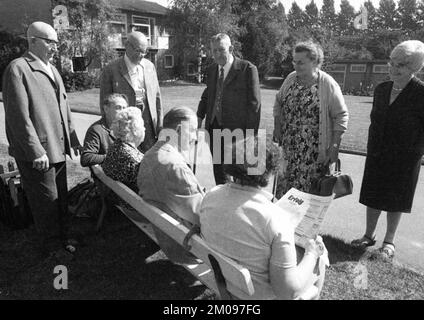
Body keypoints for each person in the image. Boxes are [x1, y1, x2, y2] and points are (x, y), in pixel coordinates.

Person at [199, 137, 327, 300]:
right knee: (321, 256)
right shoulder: (276, 219)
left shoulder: (211, 195)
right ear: (271, 171)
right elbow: (287, 292)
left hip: (225, 283)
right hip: (257, 296)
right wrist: (313, 253)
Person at [2, 21, 82, 257]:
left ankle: (64, 237)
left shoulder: (53, 69)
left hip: (58, 146)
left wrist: (73, 138)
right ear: (33, 41)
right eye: (50, 41)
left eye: (56, 42)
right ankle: (51, 247)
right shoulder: (17, 69)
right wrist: (35, 150)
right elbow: (18, 117)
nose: (55, 47)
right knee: (45, 201)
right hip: (40, 153)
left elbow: (64, 107)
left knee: (60, 198)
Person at [351, 40, 424, 260]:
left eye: (399, 65)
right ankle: (368, 235)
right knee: (373, 195)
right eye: (391, 62)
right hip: (377, 153)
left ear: (414, 68)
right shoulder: (381, 89)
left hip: (405, 157)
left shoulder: (421, 93)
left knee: (396, 198)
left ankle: (389, 241)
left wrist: (416, 153)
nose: (392, 68)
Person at [273, 41, 349, 199]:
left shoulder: (327, 84)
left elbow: (341, 115)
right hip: (288, 148)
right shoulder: (291, 79)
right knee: (284, 193)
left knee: (307, 196)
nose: (296, 65)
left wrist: (334, 147)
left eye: (300, 62)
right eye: (294, 61)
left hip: (312, 153)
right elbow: (279, 102)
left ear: (314, 62)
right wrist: (277, 126)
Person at [137, 106, 205, 264]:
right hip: (186, 247)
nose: (195, 137)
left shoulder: (148, 156)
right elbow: (203, 216)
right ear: (180, 130)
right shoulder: (176, 167)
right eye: (193, 130)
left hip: (166, 235)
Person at [197, 33, 261, 185]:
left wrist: (251, 137)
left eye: (221, 50)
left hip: (238, 132)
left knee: (241, 174)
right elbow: (207, 95)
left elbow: (254, 105)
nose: (218, 54)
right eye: (214, 51)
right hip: (214, 129)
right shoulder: (212, 70)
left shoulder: (247, 69)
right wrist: (199, 116)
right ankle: (223, 202)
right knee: (219, 171)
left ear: (231, 48)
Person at [100, 31, 162, 153]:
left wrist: (160, 126)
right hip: (125, 129)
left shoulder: (150, 66)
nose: (142, 55)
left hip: (149, 128)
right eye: (138, 50)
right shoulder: (111, 69)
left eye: (145, 52)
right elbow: (105, 105)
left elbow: (157, 99)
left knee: (149, 165)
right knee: (129, 164)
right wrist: (110, 134)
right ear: (127, 45)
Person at [80, 93, 128, 167]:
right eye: (118, 108)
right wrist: (113, 158)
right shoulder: (96, 130)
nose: (122, 111)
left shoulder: (127, 128)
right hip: (105, 176)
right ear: (106, 109)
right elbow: (86, 158)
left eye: (124, 108)